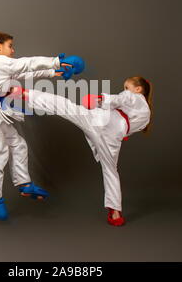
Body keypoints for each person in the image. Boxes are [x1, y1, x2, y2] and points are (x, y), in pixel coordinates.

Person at [0, 31, 84, 220]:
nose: (13, 49)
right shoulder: (1, 63)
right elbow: (29, 63)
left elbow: (26, 72)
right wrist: (56, 62)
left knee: (18, 144)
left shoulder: (5, 65)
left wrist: (53, 72)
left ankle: (23, 184)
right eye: (10, 45)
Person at [9, 76, 152, 226]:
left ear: (138, 89)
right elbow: (125, 124)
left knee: (65, 106)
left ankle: (24, 93)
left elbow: (122, 99)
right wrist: (99, 104)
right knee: (111, 171)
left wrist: (99, 99)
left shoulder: (136, 97)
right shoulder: (146, 116)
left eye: (127, 87)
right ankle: (115, 213)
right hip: (113, 137)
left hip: (102, 121)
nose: (125, 91)